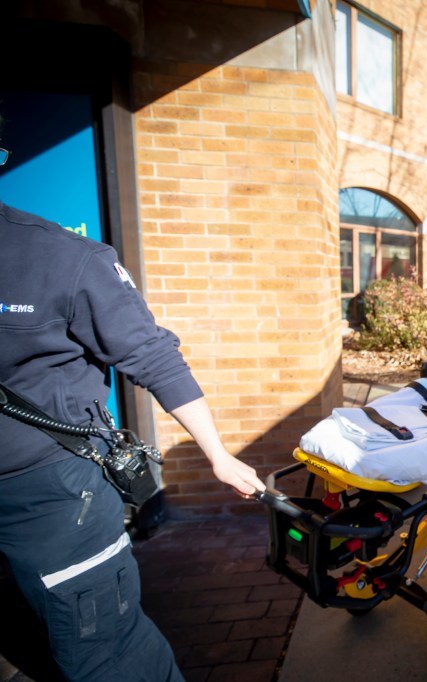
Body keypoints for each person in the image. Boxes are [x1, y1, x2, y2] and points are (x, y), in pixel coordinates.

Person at [0, 133, 265, 681]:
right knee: (28, 642)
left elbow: (154, 358)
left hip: (55, 501)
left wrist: (217, 454)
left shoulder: (64, 258)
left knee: (108, 659)